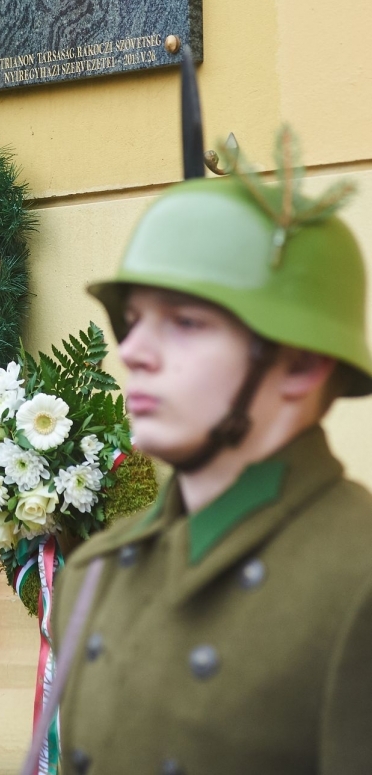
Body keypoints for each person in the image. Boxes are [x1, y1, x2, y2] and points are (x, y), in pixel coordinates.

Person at [53, 155, 372, 775]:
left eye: (186, 322)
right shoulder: (96, 572)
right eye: (136, 320)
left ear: (301, 364)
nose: (134, 351)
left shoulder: (357, 576)